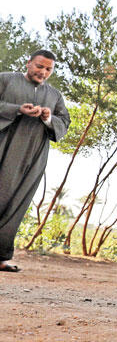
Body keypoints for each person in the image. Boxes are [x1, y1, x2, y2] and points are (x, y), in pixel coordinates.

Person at [0, 50, 71, 272]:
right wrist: (17, 109)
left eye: (48, 69)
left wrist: (48, 118)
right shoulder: (5, 79)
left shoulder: (55, 95)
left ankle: (1, 258)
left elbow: (64, 121)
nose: (43, 72)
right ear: (28, 62)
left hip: (33, 156)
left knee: (17, 203)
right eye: (39, 66)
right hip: (3, 148)